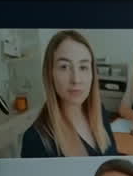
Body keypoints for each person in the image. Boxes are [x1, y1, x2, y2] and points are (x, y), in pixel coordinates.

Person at [21, 30, 120, 158]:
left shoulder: (99, 110)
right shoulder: (35, 140)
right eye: (64, 67)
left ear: (93, 74)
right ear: (50, 74)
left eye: (83, 67)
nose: (76, 79)